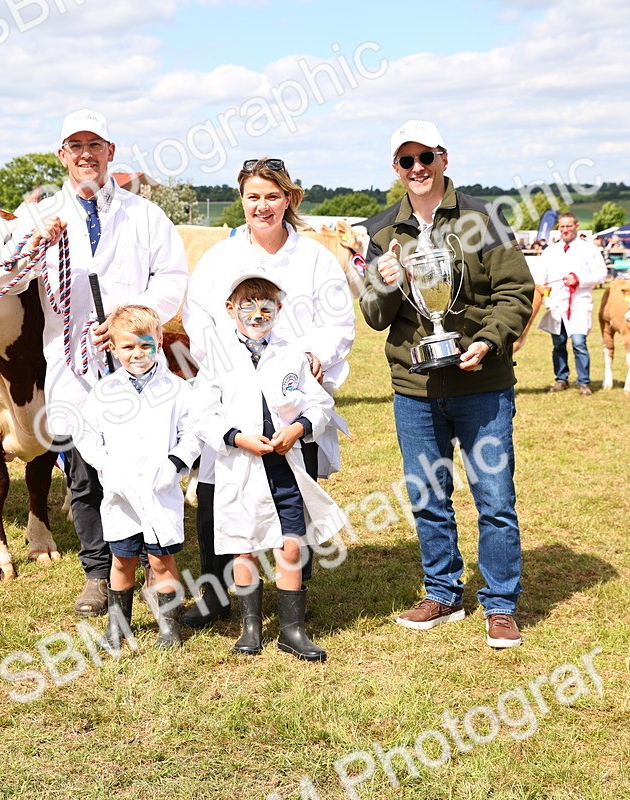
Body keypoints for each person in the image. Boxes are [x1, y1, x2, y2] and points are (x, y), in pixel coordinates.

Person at [359, 120, 534, 649]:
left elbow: (516, 292)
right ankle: (442, 592)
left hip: (481, 382)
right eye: (406, 161)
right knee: (427, 495)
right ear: (395, 168)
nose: (418, 169)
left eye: (426, 158)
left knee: (494, 496)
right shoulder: (382, 231)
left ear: (444, 158)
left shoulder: (484, 219)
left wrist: (488, 341)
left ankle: (500, 604)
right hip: (415, 386)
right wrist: (386, 284)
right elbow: (373, 314)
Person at [10, 109, 189, 617]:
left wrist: (135, 319)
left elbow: (172, 276)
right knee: (87, 470)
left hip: (137, 362)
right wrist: (31, 248)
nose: (86, 154)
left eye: (95, 144)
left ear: (111, 152)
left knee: (150, 462)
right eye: (75, 146)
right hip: (73, 366)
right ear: (61, 155)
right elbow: (6, 283)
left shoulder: (144, 214)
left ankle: (157, 564)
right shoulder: (37, 216)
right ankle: (97, 573)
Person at [180, 157, 354, 628]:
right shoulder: (220, 258)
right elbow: (198, 319)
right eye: (253, 196)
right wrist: (221, 358)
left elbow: (340, 322)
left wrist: (315, 353)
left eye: (272, 196)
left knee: (292, 494)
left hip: (291, 394)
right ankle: (217, 596)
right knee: (221, 499)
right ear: (242, 201)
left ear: (289, 199)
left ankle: (293, 599)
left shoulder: (315, 258)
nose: (263, 205)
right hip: (234, 392)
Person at [195, 271, 345, 662]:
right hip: (240, 468)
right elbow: (202, 414)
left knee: (291, 546)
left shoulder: (291, 354)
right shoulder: (217, 358)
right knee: (242, 547)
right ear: (230, 309)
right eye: (248, 306)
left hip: (283, 467)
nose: (257, 315)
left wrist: (298, 428)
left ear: (279, 310)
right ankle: (250, 628)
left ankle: (292, 630)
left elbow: (320, 405)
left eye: (267, 307)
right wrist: (236, 438)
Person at [74, 305, 202, 650]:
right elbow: (85, 435)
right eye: (128, 347)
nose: (137, 353)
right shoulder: (104, 392)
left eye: (145, 345)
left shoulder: (177, 389)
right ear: (113, 348)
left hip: (161, 492)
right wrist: (107, 467)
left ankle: (170, 628)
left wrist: (175, 463)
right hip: (121, 494)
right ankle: (118, 628)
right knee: (122, 559)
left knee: (162, 560)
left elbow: (192, 433)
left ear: (160, 342)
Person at [533, 212, 607, 395]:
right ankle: (561, 379)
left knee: (579, 342)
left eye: (569, 226)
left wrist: (579, 279)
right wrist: (542, 290)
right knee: (558, 344)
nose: (565, 230)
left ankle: (583, 382)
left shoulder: (589, 250)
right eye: (562, 226)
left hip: (579, 303)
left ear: (576, 226)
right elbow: (541, 275)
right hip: (556, 304)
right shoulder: (550, 250)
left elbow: (601, 274)